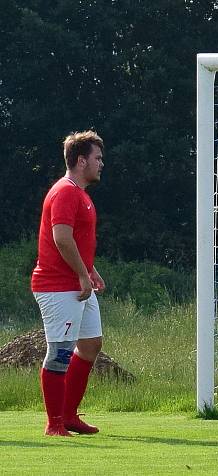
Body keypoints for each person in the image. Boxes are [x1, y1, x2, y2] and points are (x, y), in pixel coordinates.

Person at [31, 131, 106, 436]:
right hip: (58, 286)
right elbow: (61, 239)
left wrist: (91, 270)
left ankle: (69, 415)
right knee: (61, 352)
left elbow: (74, 240)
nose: (102, 164)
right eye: (98, 158)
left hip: (77, 282)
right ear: (80, 160)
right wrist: (81, 274)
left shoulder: (80, 194)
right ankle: (54, 424)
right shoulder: (65, 192)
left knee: (90, 345)